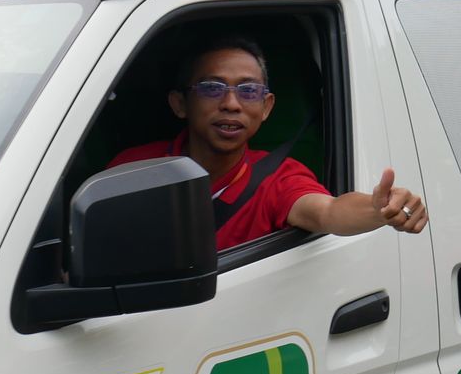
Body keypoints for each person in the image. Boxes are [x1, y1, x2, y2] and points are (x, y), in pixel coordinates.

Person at [108, 36, 429, 250]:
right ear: (180, 103)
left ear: (266, 107)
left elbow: (328, 211)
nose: (231, 104)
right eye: (212, 88)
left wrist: (377, 210)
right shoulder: (132, 168)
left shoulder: (277, 179)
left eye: (248, 91)